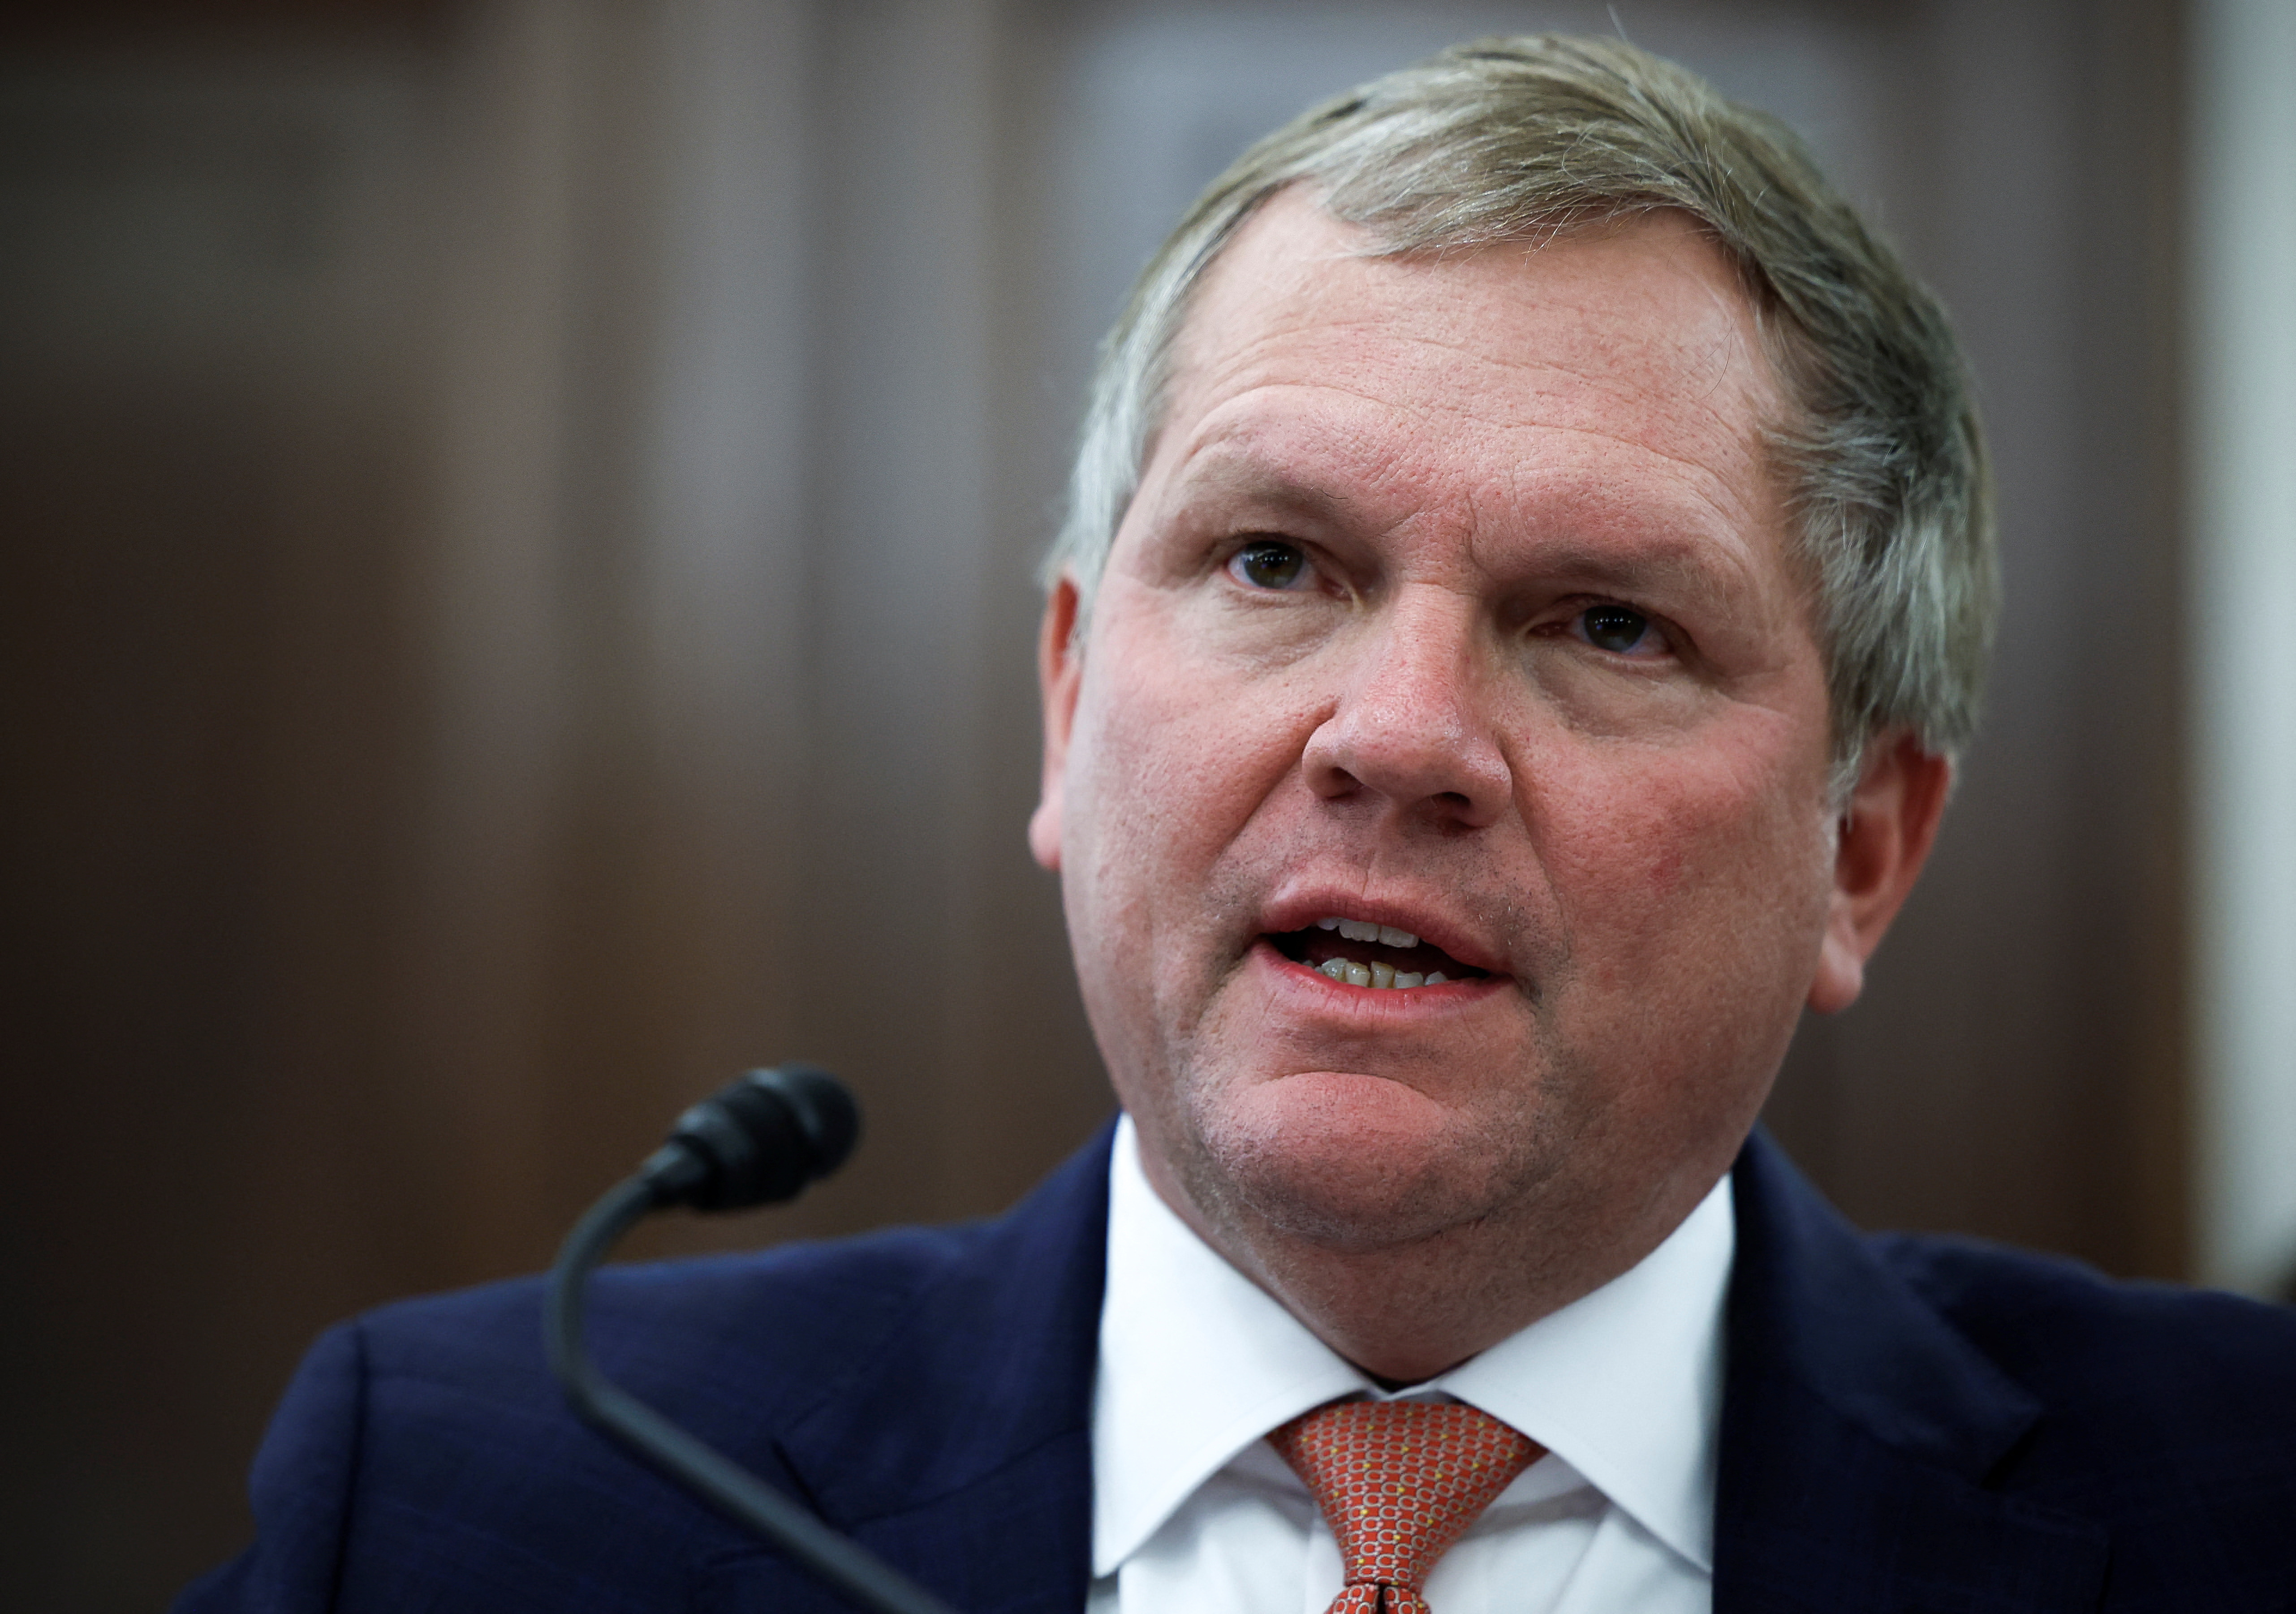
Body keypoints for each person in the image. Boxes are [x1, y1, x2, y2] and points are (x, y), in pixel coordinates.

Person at [178, 35, 2296, 1614]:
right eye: (1278, 562)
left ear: (1861, 849)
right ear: (1074, 693)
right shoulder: (485, 1494)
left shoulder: (2236, 1497)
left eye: (1609, 621)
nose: (1398, 737)